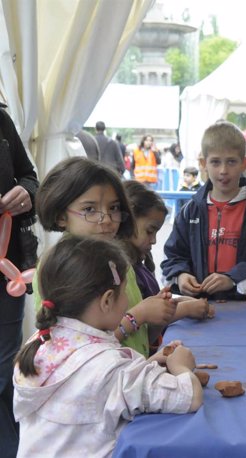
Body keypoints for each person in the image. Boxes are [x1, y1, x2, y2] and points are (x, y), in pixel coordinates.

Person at [13, 236, 202, 457]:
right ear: (107, 300)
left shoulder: (39, 342)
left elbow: (94, 389)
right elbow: (189, 397)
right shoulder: (110, 369)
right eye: (125, 292)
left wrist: (148, 364)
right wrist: (182, 367)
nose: (128, 300)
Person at [34, 157, 176, 357]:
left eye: (114, 208)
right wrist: (139, 315)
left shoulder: (119, 261)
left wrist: (155, 321)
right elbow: (72, 351)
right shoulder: (58, 268)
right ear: (61, 216)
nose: (107, 220)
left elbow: (138, 340)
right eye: (89, 209)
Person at [162, 121, 246, 300]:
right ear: (204, 163)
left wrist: (233, 279)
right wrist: (180, 275)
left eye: (231, 162)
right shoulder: (191, 210)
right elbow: (173, 255)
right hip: (199, 308)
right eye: (215, 162)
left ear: (244, 164)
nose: (223, 170)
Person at [0, 102, 39, 458]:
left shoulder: (1, 119)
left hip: (6, 270)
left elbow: (30, 176)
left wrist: (27, 192)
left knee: (3, 371)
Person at [122, 179, 214, 323]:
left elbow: (151, 303)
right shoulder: (123, 271)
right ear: (128, 221)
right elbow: (143, 318)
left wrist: (178, 301)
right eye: (149, 231)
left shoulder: (140, 265)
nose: (154, 240)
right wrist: (186, 309)